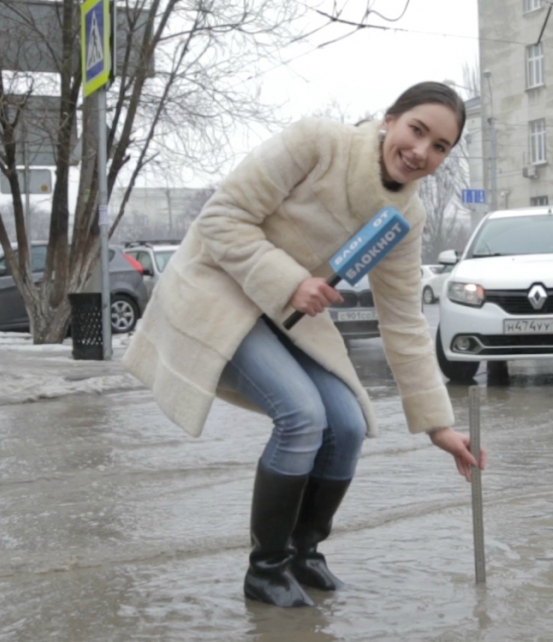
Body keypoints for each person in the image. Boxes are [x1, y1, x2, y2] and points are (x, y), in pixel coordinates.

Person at [123, 81, 487, 608]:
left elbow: (404, 321)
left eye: (440, 147)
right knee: (301, 415)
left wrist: (439, 424)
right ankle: (264, 570)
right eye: (417, 130)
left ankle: (302, 553)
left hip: (287, 313)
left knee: (346, 423)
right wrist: (290, 280)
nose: (421, 152)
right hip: (219, 284)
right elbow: (221, 219)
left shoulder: (405, 219)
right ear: (389, 119)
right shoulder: (319, 143)